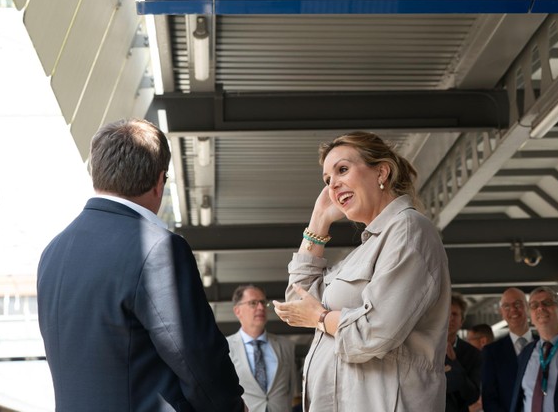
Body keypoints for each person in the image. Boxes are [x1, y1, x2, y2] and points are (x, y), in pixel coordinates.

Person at [36, 118, 245, 412]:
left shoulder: (53, 252)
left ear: (97, 172)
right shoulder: (157, 247)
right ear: (159, 182)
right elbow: (195, 355)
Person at [271, 131, 450, 411]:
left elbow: (374, 334)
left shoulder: (408, 229)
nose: (333, 185)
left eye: (342, 169)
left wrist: (320, 317)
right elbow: (298, 301)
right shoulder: (363, 252)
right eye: (328, 180)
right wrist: (318, 222)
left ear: (381, 172)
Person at [227, 284, 300, 412]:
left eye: (263, 302)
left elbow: (291, 389)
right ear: (237, 311)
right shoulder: (225, 348)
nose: (261, 307)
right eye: (253, 303)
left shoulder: (286, 346)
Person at [481, 288, 536, 412]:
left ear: (527, 307)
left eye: (517, 304)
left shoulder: (544, 344)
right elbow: (489, 398)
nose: (513, 309)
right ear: (501, 312)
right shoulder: (491, 352)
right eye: (506, 306)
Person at [445, 293, 483, 412]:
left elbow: (472, 396)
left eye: (455, 314)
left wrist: (455, 365)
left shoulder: (473, 354)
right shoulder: (423, 349)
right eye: (446, 313)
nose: (450, 318)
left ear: (462, 321)